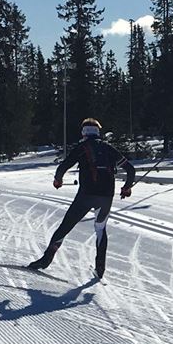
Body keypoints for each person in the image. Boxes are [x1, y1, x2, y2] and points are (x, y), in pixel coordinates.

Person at [28, 118, 136, 279]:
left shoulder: (82, 147)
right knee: (100, 229)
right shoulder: (108, 148)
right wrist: (127, 187)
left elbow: (64, 166)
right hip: (106, 197)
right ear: (98, 132)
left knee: (65, 227)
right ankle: (100, 270)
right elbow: (130, 169)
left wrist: (58, 180)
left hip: (86, 195)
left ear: (84, 133)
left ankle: (45, 261)